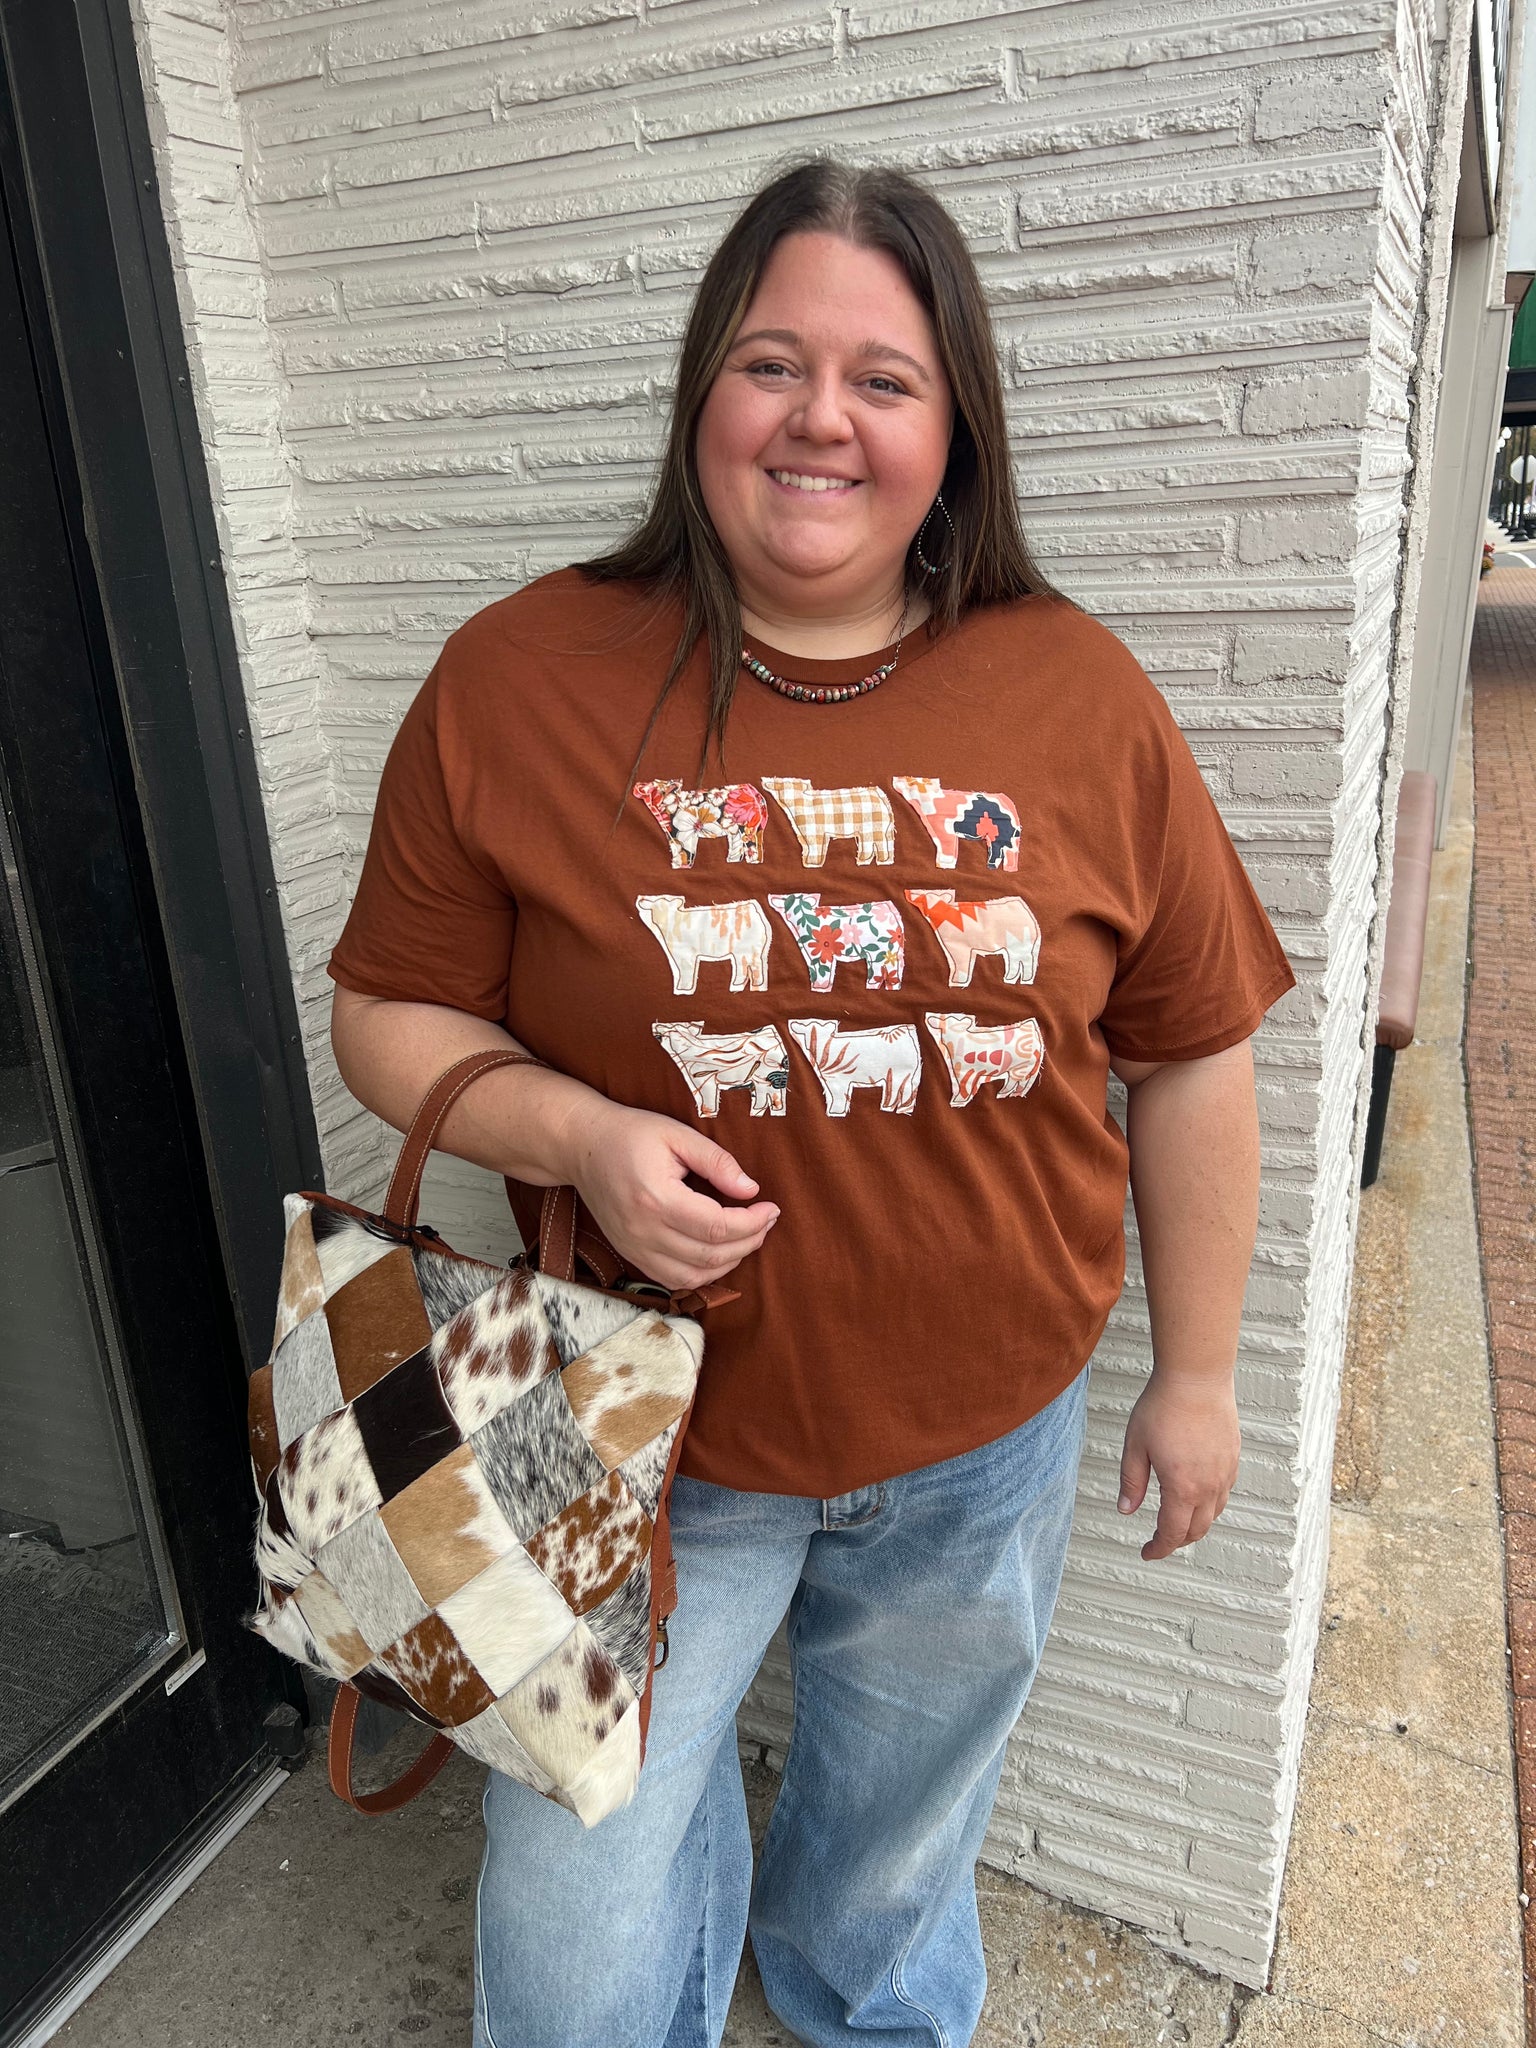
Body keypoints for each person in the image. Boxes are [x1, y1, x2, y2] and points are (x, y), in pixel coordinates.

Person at [326, 155, 1295, 2048]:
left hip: (985, 1431)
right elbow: (386, 1011)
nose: (821, 417)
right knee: (577, 1938)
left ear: (955, 431)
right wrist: (573, 1134)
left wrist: (1200, 1374)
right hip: (628, 1437)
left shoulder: (1078, 695)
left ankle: (867, 2011)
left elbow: (1193, 1044)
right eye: (773, 362)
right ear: (705, 397)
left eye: (885, 377)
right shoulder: (519, 678)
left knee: (896, 1836)